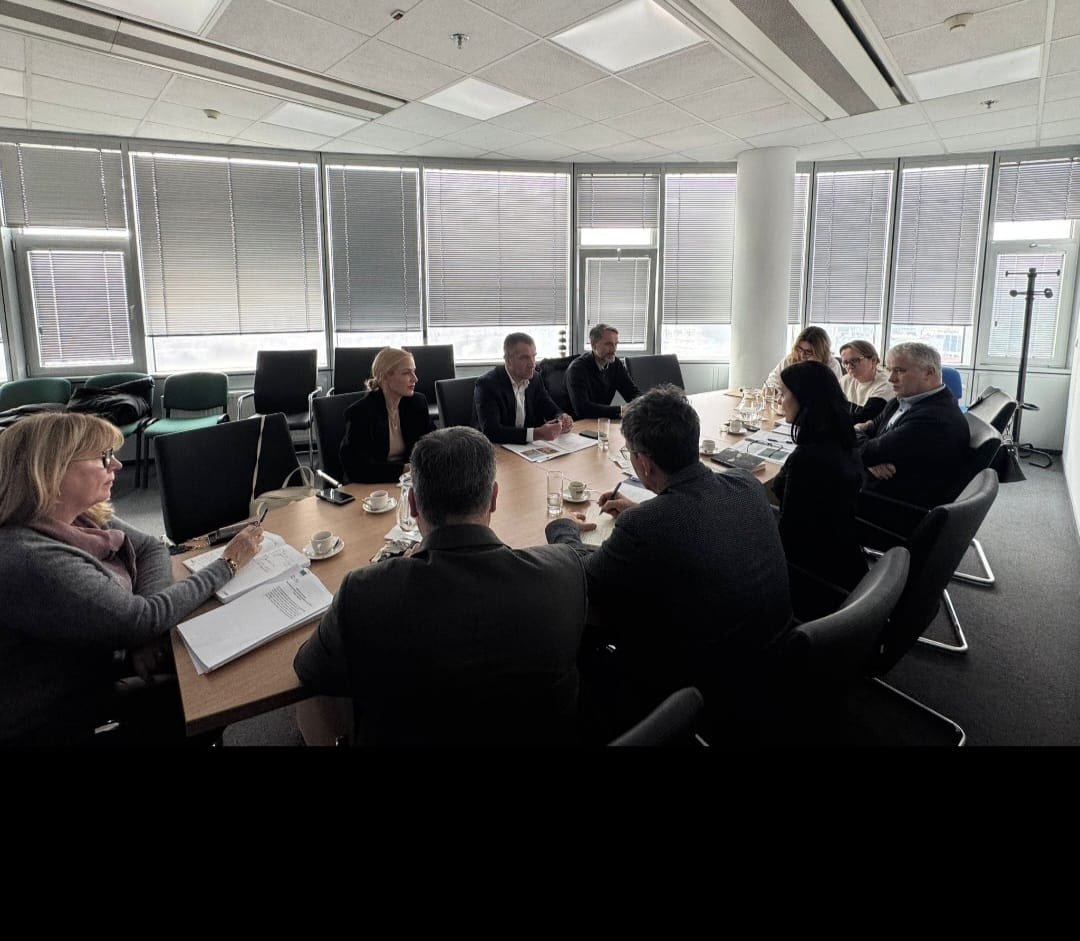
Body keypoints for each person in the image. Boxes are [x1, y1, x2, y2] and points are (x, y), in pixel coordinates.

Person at [294, 426, 588, 746]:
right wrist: (564, 529)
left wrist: (393, 570)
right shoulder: (564, 573)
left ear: (413, 503)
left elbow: (310, 671)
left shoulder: (364, 592)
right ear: (493, 498)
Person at [0, 412, 263, 745]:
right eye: (103, 457)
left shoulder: (77, 515)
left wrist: (143, 633)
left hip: (96, 664)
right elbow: (143, 618)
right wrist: (228, 563)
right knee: (210, 693)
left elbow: (151, 549)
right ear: (52, 470)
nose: (117, 465)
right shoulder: (30, 557)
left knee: (202, 673)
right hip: (51, 718)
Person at [546, 385, 791, 736]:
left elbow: (584, 579)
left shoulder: (646, 526)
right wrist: (645, 509)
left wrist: (563, 530)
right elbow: (696, 517)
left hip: (700, 690)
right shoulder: (745, 485)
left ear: (644, 464)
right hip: (771, 665)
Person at [773, 362, 867, 599]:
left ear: (805, 400)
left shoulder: (809, 459)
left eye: (783, 394)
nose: (780, 402)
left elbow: (790, 535)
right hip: (844, 560)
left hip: (812, 577)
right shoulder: (842, 440)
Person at [856, 342, 970, 510]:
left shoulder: (934, 418)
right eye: (889, 370)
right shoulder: (900, 401)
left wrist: (859, 436)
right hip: (875, 487)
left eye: (899, 371)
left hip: (889, 504)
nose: (891, 379)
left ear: (929, 372)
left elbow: (867, 448)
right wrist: (868, 456)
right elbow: (870, 439)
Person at [340, 347, 434, 483]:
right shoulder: (360, 413)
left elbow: (432, 442)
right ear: (384, 377)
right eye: (406, 373)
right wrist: (405, 469)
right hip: (373, 486)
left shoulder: (417, 403)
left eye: (414, 371)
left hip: (409, 481)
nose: (415, 379)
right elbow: (357, 468)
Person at [473, 332, 573, 444]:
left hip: (526, 448)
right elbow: (492, 432)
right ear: (508, 360)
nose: (532, 364)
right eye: (524, 358)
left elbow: (549, 407)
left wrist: (561, 417)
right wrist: (536, 434)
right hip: (494, 448)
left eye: (534, 356)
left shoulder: (535, 378)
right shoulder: (487, 384)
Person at [565, 323, 642, 419]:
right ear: (594, 345)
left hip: (601, 422)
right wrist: (620, 410)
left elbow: (632, 393)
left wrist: (643, 404)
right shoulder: (577, 369)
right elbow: (583, 409)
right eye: (608, 344)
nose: (614, 350)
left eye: (616, 344)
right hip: (577, 424)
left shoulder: (616, 364)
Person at [763, 325, 842, 391]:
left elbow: (829, 395)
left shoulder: (832, 365)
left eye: (808, 352)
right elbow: (773, 380)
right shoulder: (791, 359)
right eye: (799, 349)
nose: (802, 355)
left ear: (820, 352)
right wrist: (771, 389)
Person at [838, 340, 894, 423]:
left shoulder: (885, 385)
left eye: (855, 360)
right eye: (845, 362)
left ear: (873, 360)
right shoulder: (845, 380)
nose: (849, 366)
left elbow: (864, 418)